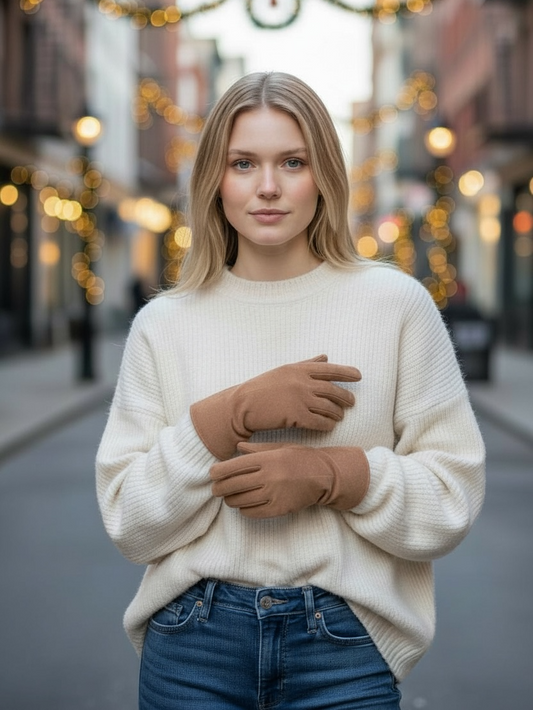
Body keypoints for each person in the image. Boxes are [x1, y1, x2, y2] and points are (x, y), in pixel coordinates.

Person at [96, 72, 485, 709]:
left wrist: (334, 474)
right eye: (243, 163)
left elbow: (453, 497)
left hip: (344, 642)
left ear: (324, 174)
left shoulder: (396, 307)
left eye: (293, 162)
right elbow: (129, 523)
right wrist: (225, 417)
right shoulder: (164, 326)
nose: (268, 186)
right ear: (214, 181)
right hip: (193, 640)